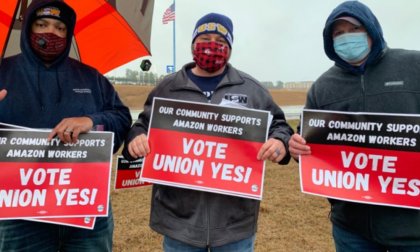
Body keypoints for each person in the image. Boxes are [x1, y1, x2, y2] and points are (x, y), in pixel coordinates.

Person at [123, 12, 293, 252]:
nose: (212, 47)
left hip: (234, 224)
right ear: (193, 45)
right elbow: (142, 124)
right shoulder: (168, 88)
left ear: (231, 48)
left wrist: (279, 141)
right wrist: (136, 137)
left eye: (221, 42)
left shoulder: (252, 89)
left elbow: (280, 125)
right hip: (179, 222)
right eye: (205, 40)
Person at [0, 0, 132, 251]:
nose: (51, 33)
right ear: (28, 28)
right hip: (19, 217)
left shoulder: (91, 77)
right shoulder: (4, 72)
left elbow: (122, 118)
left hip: (86, 214)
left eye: (60, 28)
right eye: (42, 24)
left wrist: (93, 121)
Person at [289, 1, 420, 251]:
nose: (347, 37)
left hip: (412, 227)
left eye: (354, 29)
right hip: (352, 229)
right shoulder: (323, 86)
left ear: (371, 30)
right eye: (338, 33)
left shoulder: (414, 66)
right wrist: (297, 147)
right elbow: (310, 141)